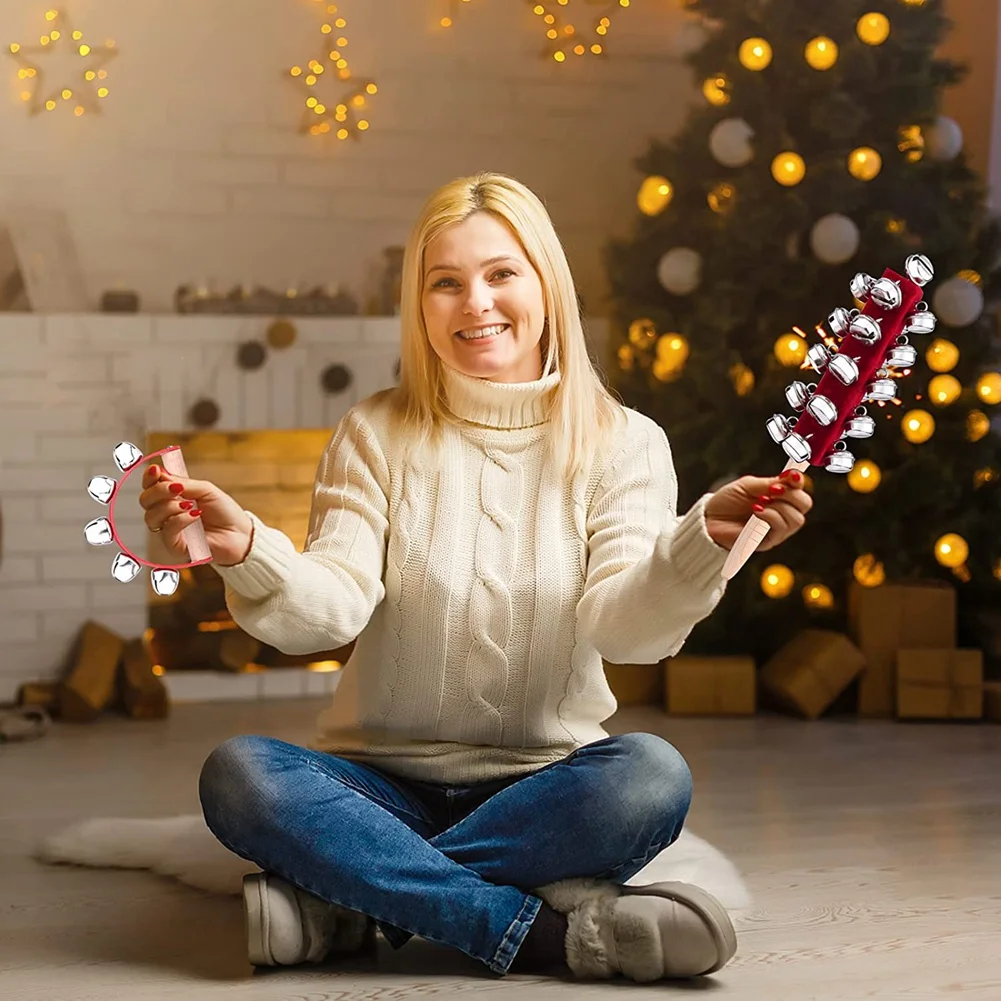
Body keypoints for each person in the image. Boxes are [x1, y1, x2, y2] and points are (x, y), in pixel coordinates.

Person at [139, 172, 812, 981]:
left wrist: (698, 542)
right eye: (445, 282)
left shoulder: (624, 443)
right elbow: (330, 611)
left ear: (545, 285)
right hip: (377, 781)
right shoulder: (376, 431)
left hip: (544, 783)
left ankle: (348, 901)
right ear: (418, 305)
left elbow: (624, 627)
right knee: (241, 773)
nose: (474, 303)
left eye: (500, 274)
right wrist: (247, 546)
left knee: (649, 778)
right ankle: (544, 937)